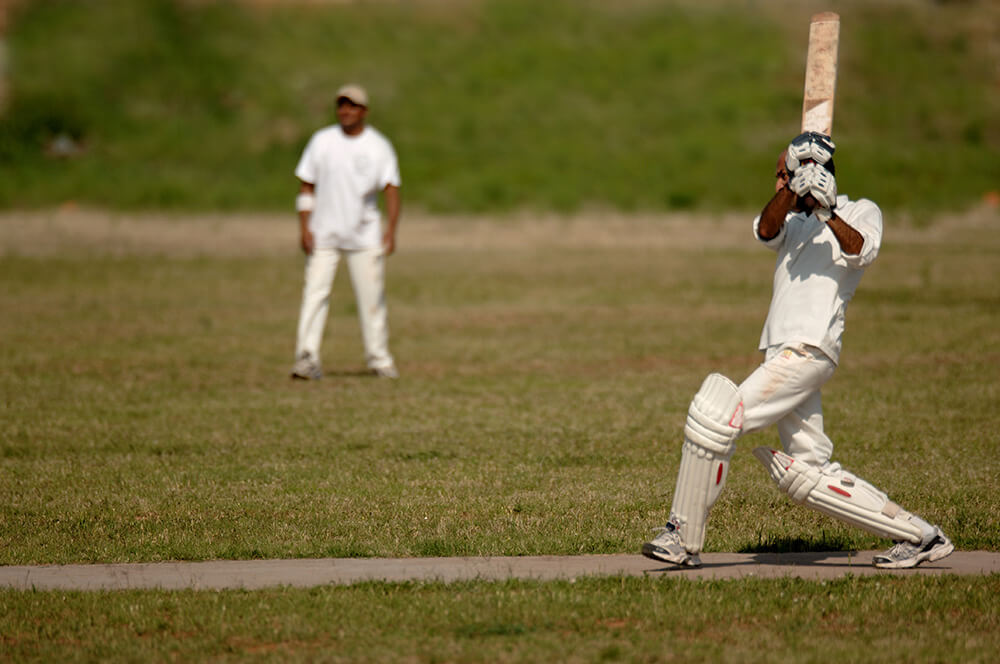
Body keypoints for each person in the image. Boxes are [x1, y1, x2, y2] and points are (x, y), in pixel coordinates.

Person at [642, 132, 954, 569]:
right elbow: (765, 229)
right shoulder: (790, 221)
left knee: (717, 417)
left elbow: (861, 250)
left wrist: (827, 210)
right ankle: (920, 536)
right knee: (809, 471)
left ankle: (680, 536)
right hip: (782, 352)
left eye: (780, 175)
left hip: (808, 350)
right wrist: (794, 189)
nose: (776, 184)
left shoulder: (860, 210)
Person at [290, 84, 401, 380]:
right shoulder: (322, 142)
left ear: (364, 111)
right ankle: (306, 357)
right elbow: (306, 185)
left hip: (364, 235)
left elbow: (391, 189)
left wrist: (390, 230)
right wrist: (304, 226)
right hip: (323, 233)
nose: (346, 111)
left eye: (352, 106)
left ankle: (379, 359)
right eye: (342, 105)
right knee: (314, 294)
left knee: (372, 299)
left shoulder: (378, 146)